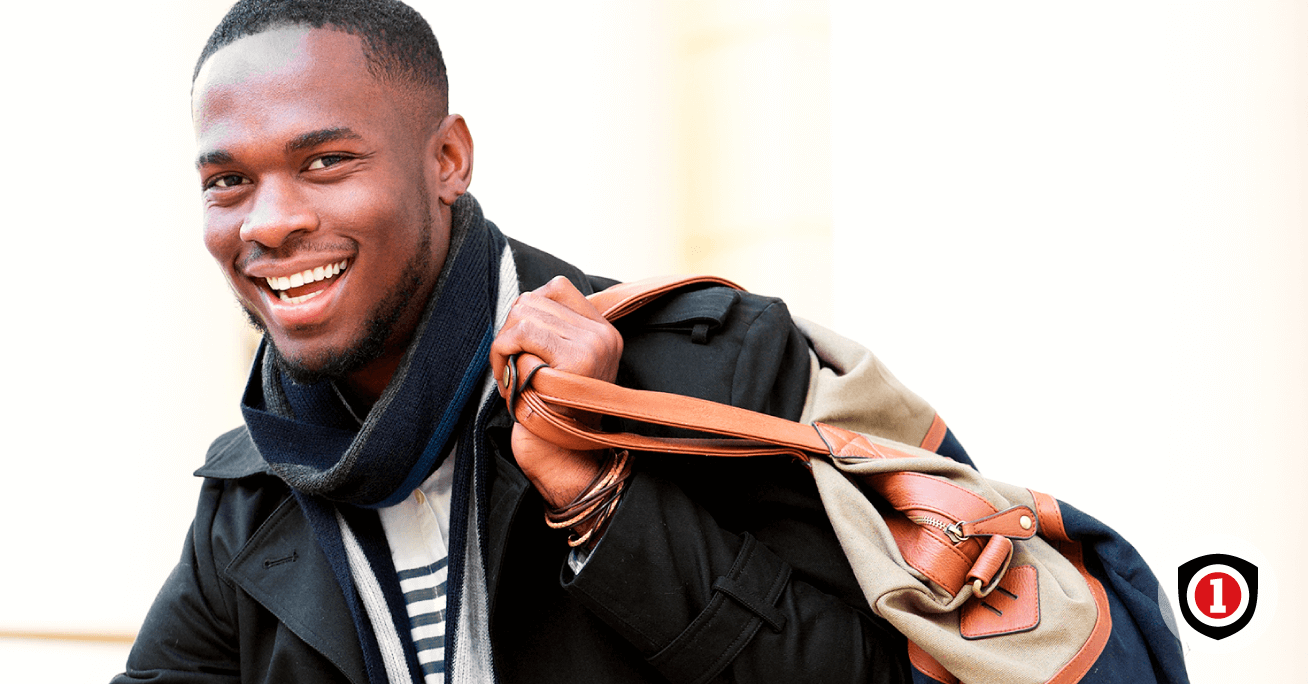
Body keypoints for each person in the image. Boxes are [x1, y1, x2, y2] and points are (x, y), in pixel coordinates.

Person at [115, 1, 962, 682]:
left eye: (326, 162)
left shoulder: (713, 364)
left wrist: (603, 499)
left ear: (447, 159)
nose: (269, 222)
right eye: (228, 181)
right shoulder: (255, 484)